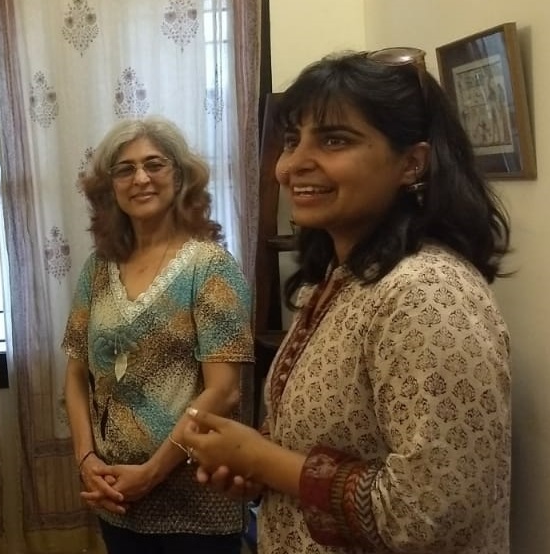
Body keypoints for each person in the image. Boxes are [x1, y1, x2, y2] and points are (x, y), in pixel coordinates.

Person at [182, 50, 512, 554]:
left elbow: (430, 515)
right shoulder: (343, 278)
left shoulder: (425, 293)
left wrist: (261, 458)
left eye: (334, 139)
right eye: (292, 141)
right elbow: (337, 442)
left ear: (411, 163)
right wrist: (258, 470)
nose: (292, 165)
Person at [62, 116, 254, 553]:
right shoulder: (98, 268)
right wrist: (86, 459)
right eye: (125, 169)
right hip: (116, 497)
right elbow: (75, 375)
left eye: (154, 164)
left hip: (196, 503)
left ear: (180, 176)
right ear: (110, 187)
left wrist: (150, 473)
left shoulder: (211, 266)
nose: (141, 178)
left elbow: (224, 392)